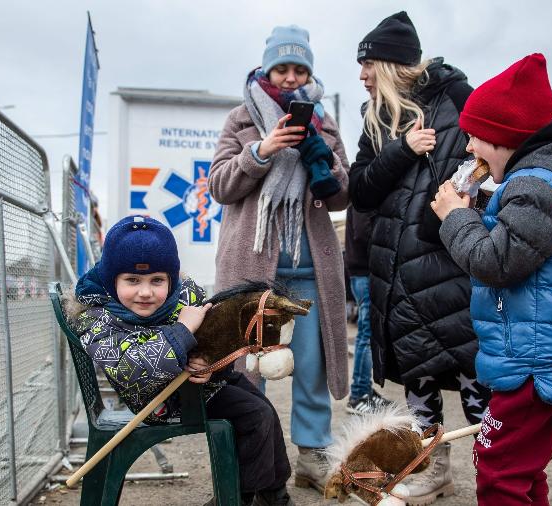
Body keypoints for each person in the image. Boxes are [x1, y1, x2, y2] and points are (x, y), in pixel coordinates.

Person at [431, 53, 552, 505]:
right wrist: (474, 211)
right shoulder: (535, 185)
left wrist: (457, 218)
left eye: (475, 136)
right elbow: (514, 248)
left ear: (504, 137)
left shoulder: (537, 188)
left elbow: (496, 262)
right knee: (520, 466)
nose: (469, 148)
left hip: (540, 362)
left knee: (498, 466)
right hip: (541, 355)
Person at [348, 11, 490, 503]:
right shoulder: (377, 119)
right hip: (394, 266)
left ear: (391, 64)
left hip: (450, 261)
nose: (361, 75)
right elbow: (360, 191)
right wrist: (402, 149)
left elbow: (486, 161)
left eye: (367, 65)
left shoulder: (458, 97)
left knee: (476, 373)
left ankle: (501, 475)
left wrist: (442, 221)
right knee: (417, 372)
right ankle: (430, 470)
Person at [209, 24, 350, 493]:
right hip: (252, 274)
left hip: (310, 271)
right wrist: (262, 150)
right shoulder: (240, 119)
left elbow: (342, 195)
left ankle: (313, 458)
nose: (290, 77)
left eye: (299, 68)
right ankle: (251, 469)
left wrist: (321, 158)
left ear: (309, 71)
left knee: (311, 371)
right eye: (282, 68)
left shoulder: (325, 124)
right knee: (248, 375)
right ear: (267, 69)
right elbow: (220, 185)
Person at [71, 216, 293, 506]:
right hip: (160, 400)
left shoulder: (185, 296)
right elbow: (130, 370)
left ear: (171, 278)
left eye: (157, 280)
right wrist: (182, 331)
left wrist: (211, 365)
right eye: (132, 280)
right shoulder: (96, 318)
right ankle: (238, 497)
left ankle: (274, 493)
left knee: (265, 408)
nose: (146, 292)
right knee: (254, 415)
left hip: (199, 385)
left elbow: (214, 340)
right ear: (112, 280)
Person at [343, 205, 392, 414]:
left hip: (364, 270)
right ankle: (358, 396)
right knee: (366, 332)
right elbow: (363, 232)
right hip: (364, 270)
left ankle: (365, 390)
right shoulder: (363, 194)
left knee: (369, 332)